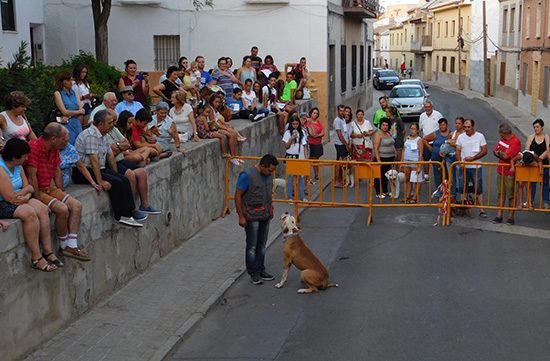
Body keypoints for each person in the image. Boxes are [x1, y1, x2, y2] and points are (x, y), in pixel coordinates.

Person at [24, 123, 91, 262]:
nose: (66, 143)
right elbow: (32, 177)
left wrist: (61, 191)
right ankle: (63, 245)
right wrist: (37, 200)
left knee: (76, 205)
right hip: (38, 190)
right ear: (54, 139)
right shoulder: (34, 148)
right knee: (62, 209)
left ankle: (72, 245)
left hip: (50, 188)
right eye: (64, 140)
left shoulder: (54, 148)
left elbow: (57, 171)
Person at [72, 110, 146, 227]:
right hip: (84, 171)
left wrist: (115, 172)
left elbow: (110, 154)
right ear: (100, 124)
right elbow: (93, 160)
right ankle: (121, 215)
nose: (112, 125)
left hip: (99, 167)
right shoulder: (91, 135)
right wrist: (100, 181)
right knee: (116, 183)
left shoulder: (103, 134)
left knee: (123, 179)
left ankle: (130, 211)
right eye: (110, 123)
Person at [0, 138, 59, 272]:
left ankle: (47, 251)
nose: (27, 159)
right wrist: (25, 193)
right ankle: (36, 257)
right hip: (3, 203)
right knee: (29, 213)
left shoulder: (18, 166)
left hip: (21, 198)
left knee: (42, 209)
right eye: (24, 156)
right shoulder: (1, 169)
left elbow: (29, 187)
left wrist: (25, 195)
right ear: (14, 157)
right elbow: (9, 198)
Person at [235, 154, 278, 285]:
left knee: (262, 245)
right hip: (251, 216)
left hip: (265, 215)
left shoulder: (269, 176)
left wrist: (271, 209)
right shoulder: (247, 176)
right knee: (252, 246)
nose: (271, 173)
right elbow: (237, 195)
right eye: (270, 170)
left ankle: (261, 269)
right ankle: (253, 273)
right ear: (262, 165)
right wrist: (241, 216)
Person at [455, 118, 488, 218]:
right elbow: (457, 150)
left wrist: (473, 158)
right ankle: (465, 208)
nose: (466, 129)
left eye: (468, 127)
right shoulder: (460, 137)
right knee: (462, 187)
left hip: (476, 166)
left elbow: (484, 150)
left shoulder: (480, 136)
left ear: (473, 127)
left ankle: (482, 209)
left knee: (478, 188)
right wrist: (460, 161)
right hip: (463, 166)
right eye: (465, 127)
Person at [492, 123, 522, 225]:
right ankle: (499, 216)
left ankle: (510, 217)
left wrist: (499, 153)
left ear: (504, 133)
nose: (500, 136)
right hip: (501, 170)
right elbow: (495, 151)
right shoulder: (502, 140)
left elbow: (505, 156)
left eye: (500, 134)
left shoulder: (515, 141)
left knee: (511, 195)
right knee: (500, 194)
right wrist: (500, 153)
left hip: (510, 172)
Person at [54, 70, 85, 145]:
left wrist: (70, 113)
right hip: (66, 124)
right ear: (62, 82)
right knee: (69, 144)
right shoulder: (58, 93)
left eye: (71, 80)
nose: (71, 82)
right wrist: (77, 112)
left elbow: (82, 110)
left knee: (80, 144)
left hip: (76, 122)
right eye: (68, 80)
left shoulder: (74, 93)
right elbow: (64, 111)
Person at [524, 118, 550, 208]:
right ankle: (529, 201)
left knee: (545, 184)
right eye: (534, 127)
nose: (536, 129)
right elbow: (527, 150)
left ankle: (546, 202)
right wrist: (536, 161)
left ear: (542, 127)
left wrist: (539, 159)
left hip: (545, 164)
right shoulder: (531, 137)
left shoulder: (547, 137)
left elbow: (548, 150)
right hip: (533, 165)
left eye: (537, 127)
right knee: (532, 184)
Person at [283, 114, 307, 202]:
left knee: (301, 177)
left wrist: (306, 158)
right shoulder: (287, 133)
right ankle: (290, 196)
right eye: (293, 124)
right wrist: (291, 138)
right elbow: (286, 146)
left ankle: (302, 196)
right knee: (290, 178)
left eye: (297, 124)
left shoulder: (302, 132)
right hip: (291, 156)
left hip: (300, 157)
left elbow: (304, 146)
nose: (295, 126)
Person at [423, 118, 451, 189]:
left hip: (447, 159)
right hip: (436, 158)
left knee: (447, 175)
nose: (442, 126)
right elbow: (424, 139)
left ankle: (447, 191)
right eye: (440, 125)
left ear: (447, 125)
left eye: (443, 125)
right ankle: (439, 190)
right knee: (437, 175)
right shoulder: (436, 134)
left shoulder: (451, 134)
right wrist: (431, 149)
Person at [419, 100, 443, 179]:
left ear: (432, 107)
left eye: (429, 107)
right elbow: (421, 128)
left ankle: (439, 175)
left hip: (436, 142)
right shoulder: (422, 116)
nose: (427, 108)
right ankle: (426, 175)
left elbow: (442, 126)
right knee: (425, 159)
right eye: (426, 107)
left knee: (436, 159)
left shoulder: (438, 115)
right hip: (426, 142)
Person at [373, 118, 396, 198]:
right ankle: (378, 192)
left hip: (390, 158)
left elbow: (392, 144)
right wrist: (378, 160)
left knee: (387, 175)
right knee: (379, 175)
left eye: (386, 125)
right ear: (381, 125)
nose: (385, 127)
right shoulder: (378, 134)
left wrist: (395, 154)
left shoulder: (389, 133)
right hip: (381, 158)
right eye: (383, 125)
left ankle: (385, 191)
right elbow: (375, 147)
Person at [402, 123, 423, 203]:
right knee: (407, 178)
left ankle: (415, 196)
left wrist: (419, 165)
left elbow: (421, 153)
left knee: (416, 179)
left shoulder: (419, 140)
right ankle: (408, 195)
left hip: (415, 161)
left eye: (414, 129)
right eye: (411, 128)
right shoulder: (407, 138)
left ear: (417, 130)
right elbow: (404, 149)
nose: (412, 130)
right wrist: (402, 161)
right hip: (407, 161)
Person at [305, 107, 325, 182]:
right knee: (310, 160)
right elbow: (312, 134)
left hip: (318, 143)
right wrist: (317, 134)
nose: (315, 115)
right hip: (311, 143)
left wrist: (318, 135)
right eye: (314, 113)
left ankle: (317, 175)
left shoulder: (318, 122)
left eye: (317, 113)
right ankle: (308, 176)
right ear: (311, 113)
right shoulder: (308, 123)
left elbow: (323, 132)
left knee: (316, 160)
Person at [333, 105, 349, 188]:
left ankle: (341, 179)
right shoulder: (337, 120)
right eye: (341, 111)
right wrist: (346, 144)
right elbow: (339, 134)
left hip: (343, 143)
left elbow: (345, 132)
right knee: (339, 162)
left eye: (343, 110)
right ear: (338, 111)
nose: (342, 112)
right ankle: (337, 181)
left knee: (342, 161)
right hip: (340, 144)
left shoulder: (343, 119)